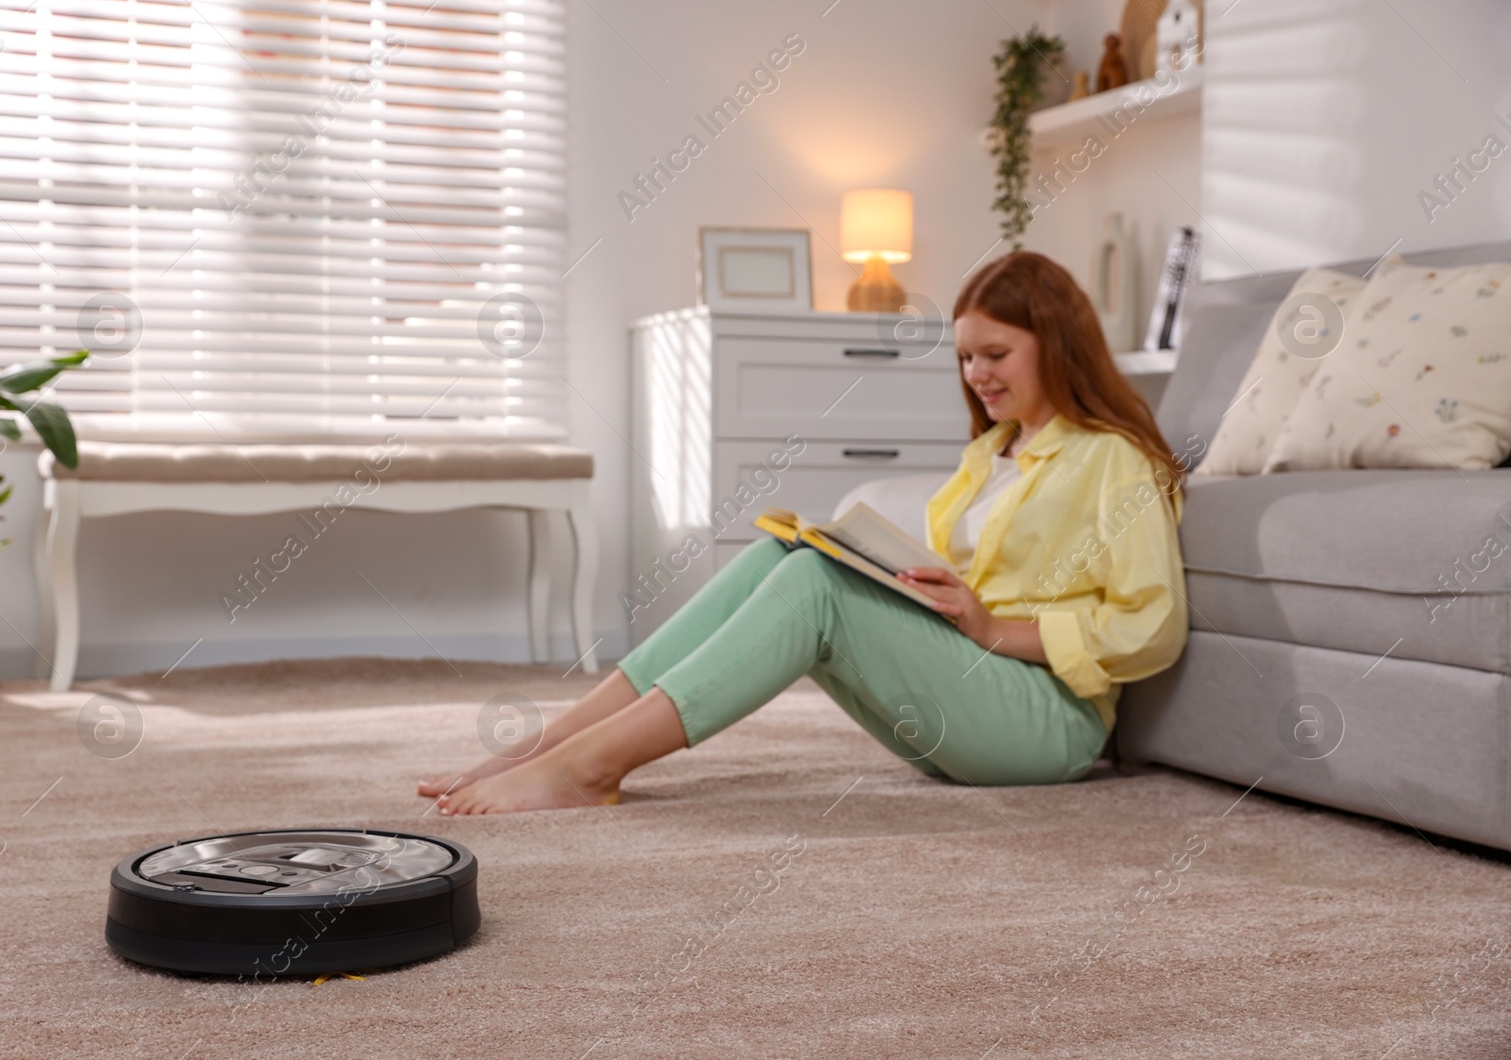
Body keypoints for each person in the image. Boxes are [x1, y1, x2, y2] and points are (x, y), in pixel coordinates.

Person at [419, 251, 1190, 815]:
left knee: (816, 587)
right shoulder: (992, 452)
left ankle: (588, 768)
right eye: (964, 357)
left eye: (995, 354)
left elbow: (1152, 627)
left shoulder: (1112, 458)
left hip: (1047, 725)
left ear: (1057, 345)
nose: (976, 376)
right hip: (968, 693)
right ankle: (550, 745)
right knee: (781, 553)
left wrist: (993, 627)